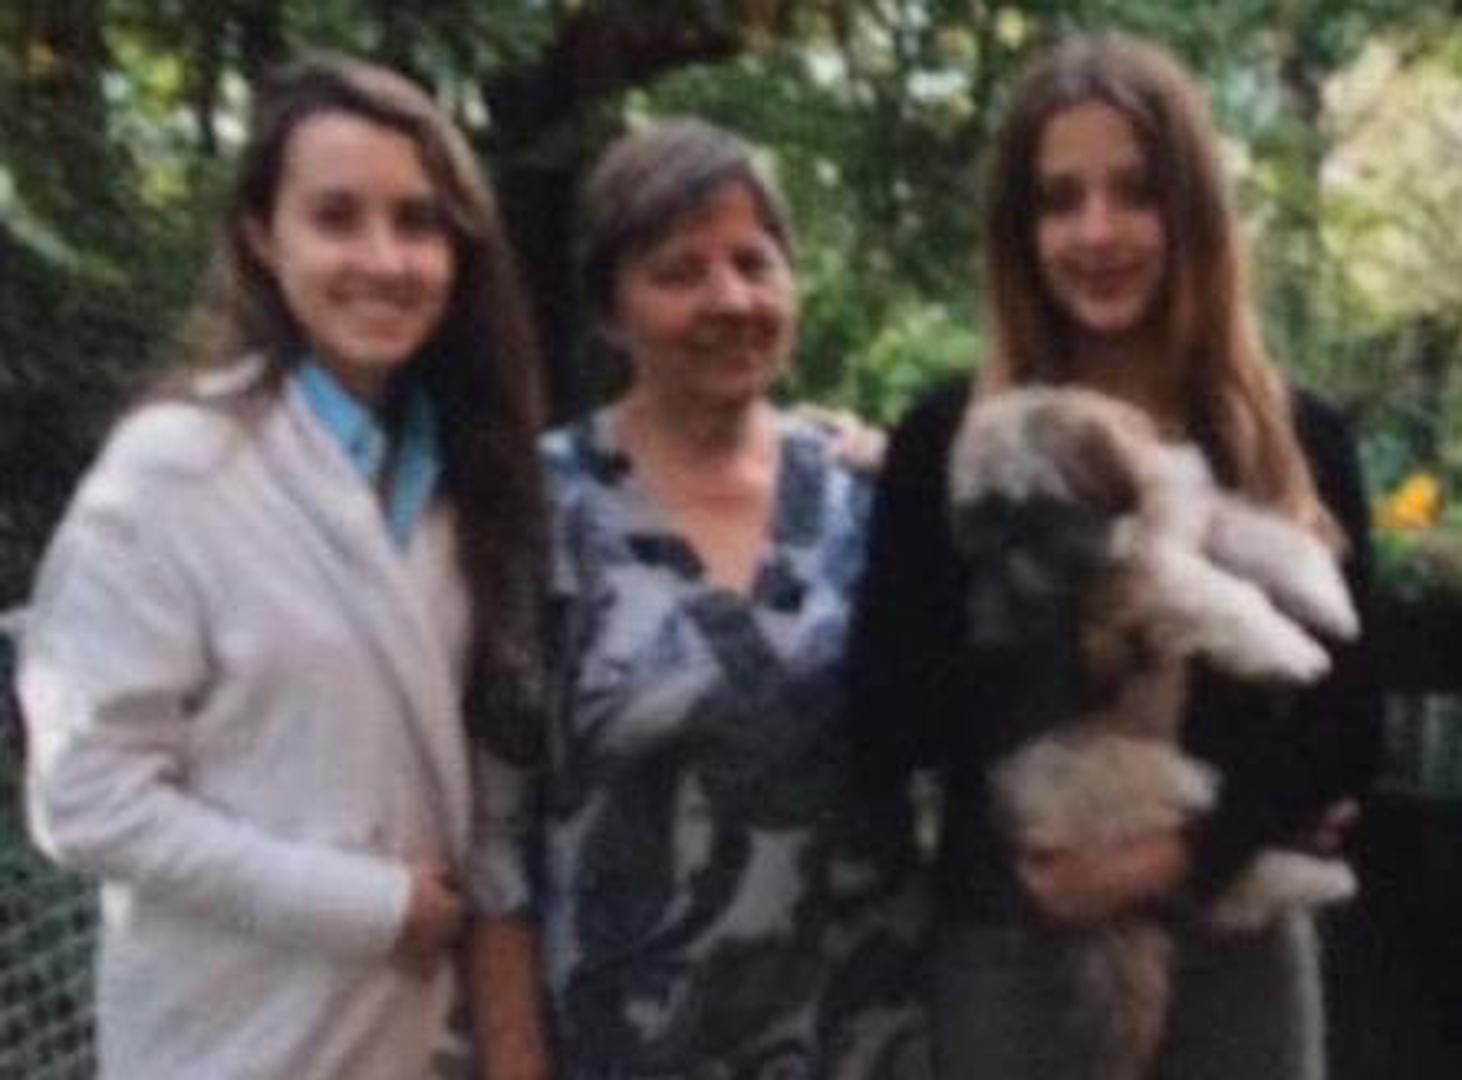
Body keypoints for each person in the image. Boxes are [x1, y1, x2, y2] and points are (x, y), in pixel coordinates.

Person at [846, 33, 1380, 1080]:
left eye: (1136, 192)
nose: (1097, 233)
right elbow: (887, 714)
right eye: (1059, 200)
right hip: (1017, 937)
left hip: (1236, 936)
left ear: (1193, 209)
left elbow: (1346, 727)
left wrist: (1170, 858)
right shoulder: (955, 440)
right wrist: (1083, 646)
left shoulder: (1293, 440)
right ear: (1020, 230)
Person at [19, 54, 544, 1079]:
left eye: (418, 222)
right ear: (263, 236)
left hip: (414, 1038)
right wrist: (364, 905)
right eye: (336, 217)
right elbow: (83, 795)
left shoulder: (469, 475)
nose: (384, 259)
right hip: (233, 1040)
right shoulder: (174, 473)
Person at [468, 119, 931, 1080]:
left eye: (754, 263)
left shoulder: (871, 498)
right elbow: (495, 839)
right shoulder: (538, 512)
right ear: (611, 312)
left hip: (869, 1037)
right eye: (679, 272)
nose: (730, 299)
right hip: (632, 1044)